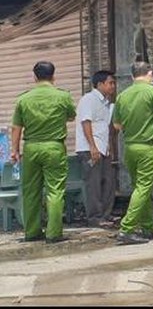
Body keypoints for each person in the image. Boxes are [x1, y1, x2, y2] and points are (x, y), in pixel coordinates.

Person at [10, 61, 76, 243]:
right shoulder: (63, 96)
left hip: (30, 148)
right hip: (54, 147)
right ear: (54, 76)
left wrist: (14, 150)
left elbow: (16, 127)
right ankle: (54, 234)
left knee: (30, 191)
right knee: (55, 190)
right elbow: (71, 115)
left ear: (34, 77)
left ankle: (31, 232)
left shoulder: (24, 99)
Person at [112, 61, 153, 245]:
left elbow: (117, 125)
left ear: (132, 76)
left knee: (140, 187)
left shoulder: (122, 95)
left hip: (130, 148)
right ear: (150, 73)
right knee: (143, 188)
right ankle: (126, 228)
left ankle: (147, 228)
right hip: (148, 148)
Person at [75, 70, 117, 228]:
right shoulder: (89, 99)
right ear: (100, 84)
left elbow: (106, 128)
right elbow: (86, 123)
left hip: (103, 148)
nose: (113, 86)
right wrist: (92, 146)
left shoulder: (107, 102)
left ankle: (106, 214)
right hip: (90, 149)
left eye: (113, 83)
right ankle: (94, 218)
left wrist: (109, 148)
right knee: (93, 184)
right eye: (110, 83)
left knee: (108, 181)